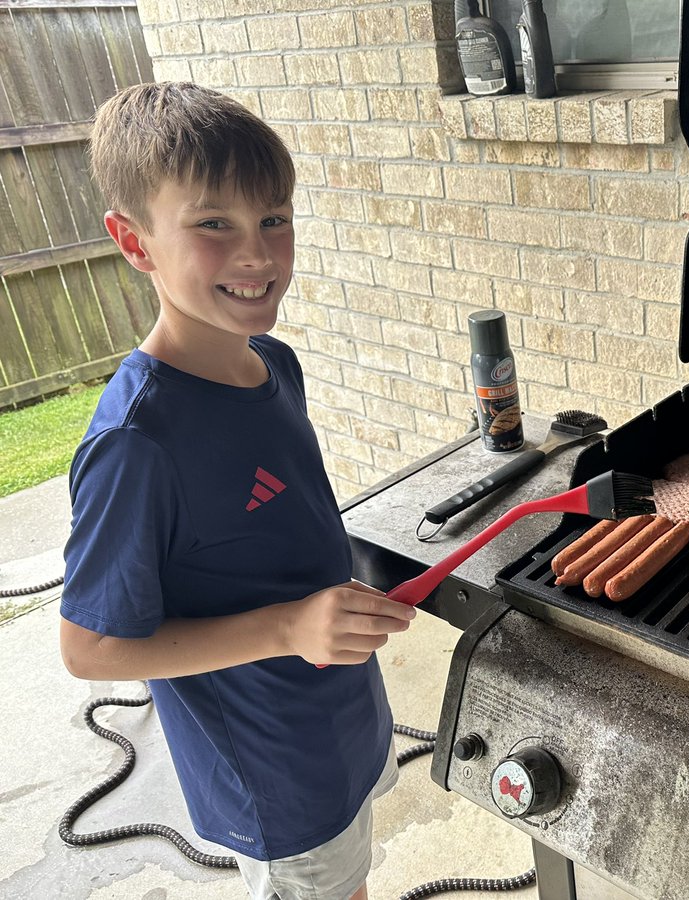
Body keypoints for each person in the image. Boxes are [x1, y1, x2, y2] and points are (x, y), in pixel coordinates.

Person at [58, 82, 416, 900]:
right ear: (135, 241)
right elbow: (89, 649)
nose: (256, 254)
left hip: (339, 724)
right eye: (213, 223)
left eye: (274, 219)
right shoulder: (136, 443)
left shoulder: (273, 362)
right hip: (273, 768)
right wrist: (289, 624)